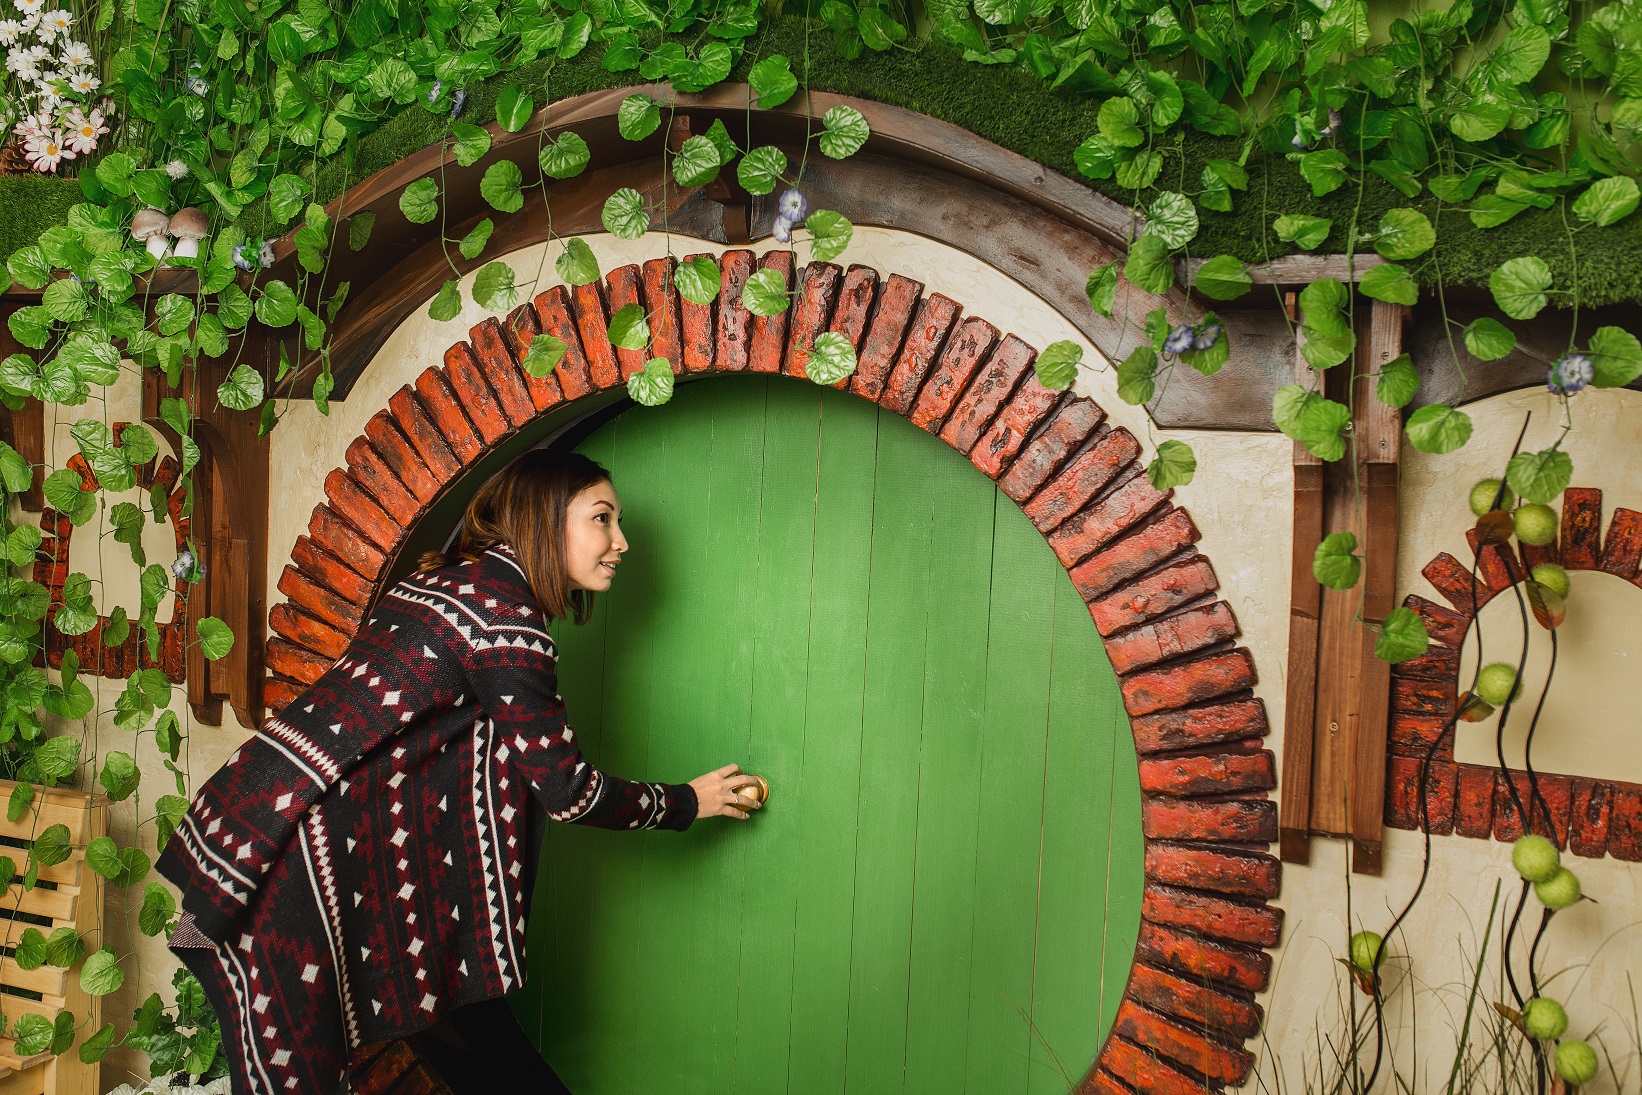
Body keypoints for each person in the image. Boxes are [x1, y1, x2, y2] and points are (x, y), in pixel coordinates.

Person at [156, 449, 763, 1095]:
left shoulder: (441, 582)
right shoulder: (506, 620)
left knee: (470, 1022)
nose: (622, 541)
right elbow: (568, 790)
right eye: (602, 519)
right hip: (299, 873)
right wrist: (684, 802)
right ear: (544, 519)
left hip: (252, 827)